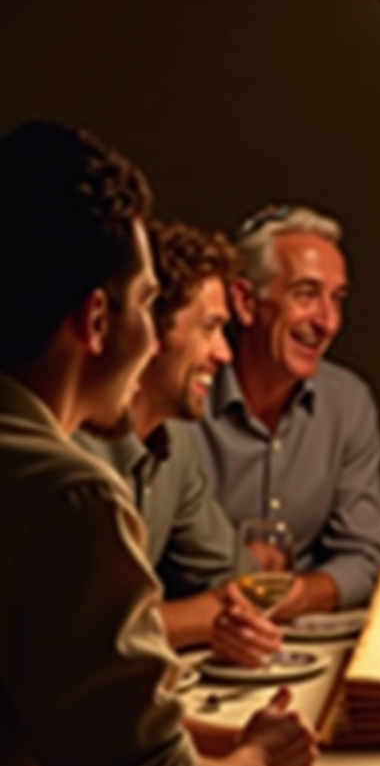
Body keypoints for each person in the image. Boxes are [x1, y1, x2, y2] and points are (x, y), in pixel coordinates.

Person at [0, 120, 318, 766]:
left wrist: (225, 734)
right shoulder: (64, 496)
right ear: (97, 320)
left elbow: (66, 721)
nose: (152, 338)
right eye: (147, 305)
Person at [77, 220, 280, 666]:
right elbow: (78, 633)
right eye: (210, 328)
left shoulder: (175, 447)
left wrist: (229, 617)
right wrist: (201, 617)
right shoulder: (69, 450)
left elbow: (239, 581)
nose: (224, 354)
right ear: (149, 330)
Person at [193, 203, 380, 619]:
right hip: (198, 643)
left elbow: (368, 557)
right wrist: (234, 570)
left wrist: (300, 594)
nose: (328, 321)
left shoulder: (349, 404)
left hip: (303, 645)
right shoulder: (184, 402)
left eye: (337, 299)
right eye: (306, 294)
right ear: (246, 302)